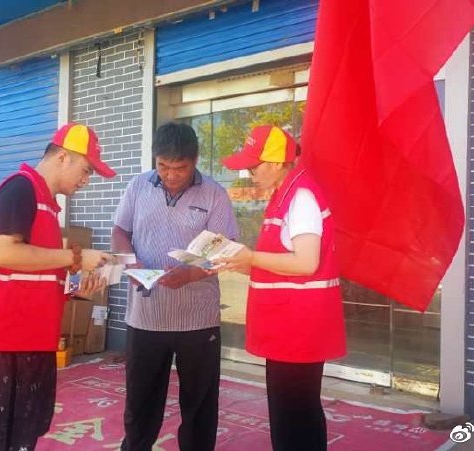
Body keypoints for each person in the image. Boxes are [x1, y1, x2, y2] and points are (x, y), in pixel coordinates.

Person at [0, 123, 116, 451]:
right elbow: (3, 253)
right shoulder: (20, 189)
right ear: (63, 157)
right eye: (86, 170)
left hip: (30, 336)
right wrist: (75, 257)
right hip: (2, 339)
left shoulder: (46, 204)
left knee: (28, 426)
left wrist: (75, 288)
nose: (86, 181)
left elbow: (34, 272)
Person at [217, 125, 346, 451]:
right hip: (288, 327)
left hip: (299, 328)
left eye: (254, 166)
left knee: (295, 412)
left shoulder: (301, 198)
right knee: (290, 410)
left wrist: (251, 257)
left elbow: (306, 262)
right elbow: (277, 262)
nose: (250, 174)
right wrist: (238, 262)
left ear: (276, 162)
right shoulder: (283, 195)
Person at [112, 122, 239, 451]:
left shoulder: (214, 194)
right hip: (146, 315)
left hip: (197, 319)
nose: (170, 175)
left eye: (180, 168)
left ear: (195, 160)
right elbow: (120, 232)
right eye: (163, 166)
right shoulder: (138, 186)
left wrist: (191, 273)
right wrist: (130, 263)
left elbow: (225, 250)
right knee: (140, 400)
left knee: (199, 403)